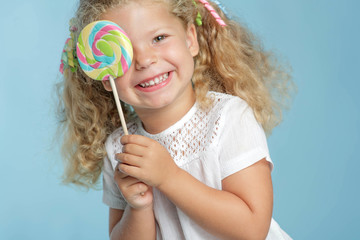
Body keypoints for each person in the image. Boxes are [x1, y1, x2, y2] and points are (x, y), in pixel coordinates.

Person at [57, 0, 294, 239]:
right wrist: (138, 207)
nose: (145, 60)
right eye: (124, 52)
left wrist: (169, 177)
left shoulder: (229, 118)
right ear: (105, 76)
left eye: (159, 38)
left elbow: (252, 229)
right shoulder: (120, 148)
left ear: (190, 38)